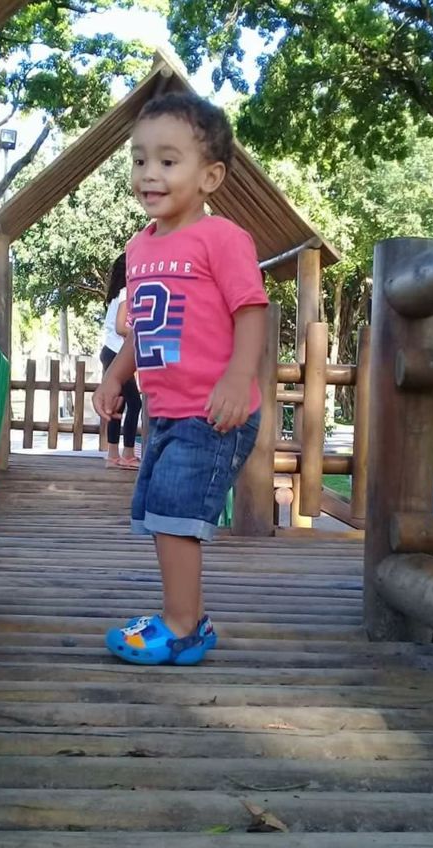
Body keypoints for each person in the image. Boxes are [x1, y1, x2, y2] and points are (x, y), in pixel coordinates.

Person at [92, 92, 268, 665]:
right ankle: (190, 617)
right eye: (140, 159)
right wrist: (116, 375)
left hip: (213, 412)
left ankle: (180, 626)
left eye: (168, 161)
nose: (150, 173)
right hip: (166, 411)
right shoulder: (138, 248)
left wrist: (238, 379)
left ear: (210, 176)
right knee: (161, 514)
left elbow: (251, 310)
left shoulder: (223, 239)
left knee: (174, 515)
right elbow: (144, 327)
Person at [99, 253, 142, 469]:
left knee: (118, 403)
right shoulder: (127, 292)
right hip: (117, 351)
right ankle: (128, 454)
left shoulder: (117, 293)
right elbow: (120, 327)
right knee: (135, 403)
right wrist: (141, 333)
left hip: (110, 351)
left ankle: (113, 455)